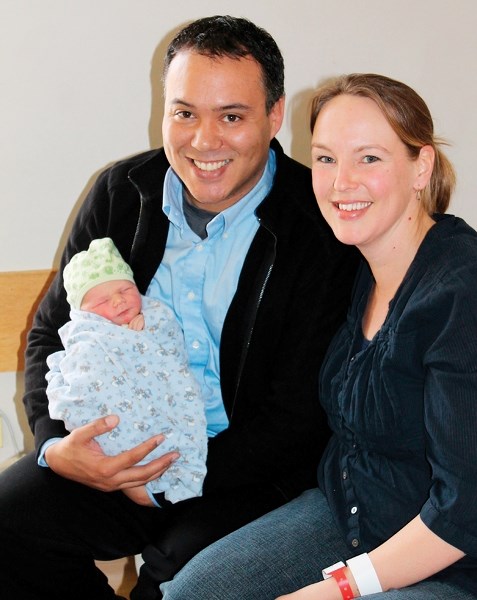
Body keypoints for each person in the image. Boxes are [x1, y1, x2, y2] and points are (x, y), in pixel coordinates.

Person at [0, 16, 358, 600]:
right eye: (185, 112)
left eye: (232, 117)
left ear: (274, 116)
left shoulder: (318, 225)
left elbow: (300, 414)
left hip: (246, 474)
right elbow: (51, 335)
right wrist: (55, 447)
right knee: (8, 528)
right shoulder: (120, 193)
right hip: (117, 453)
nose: (203, 140)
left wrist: (179, 473)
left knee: (177, 583)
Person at [159, 73, 477, 600]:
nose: (340, 181)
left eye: (368, 159)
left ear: (421, 167)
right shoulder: (360, 267)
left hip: (450, 558)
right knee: (190, 594)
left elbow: (464, 507)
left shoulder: (460, 291)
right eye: (326, 159)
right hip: (350, 513)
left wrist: (337, 589)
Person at [46, 237, 207, 506]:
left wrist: (149, 330)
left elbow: (173, 350)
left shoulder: (154, 312)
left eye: (124, 289)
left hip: (160, 406)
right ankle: (134, 475)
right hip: (111, 419)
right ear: (84, 313)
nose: (119, 302)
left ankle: (167, 477)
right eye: (101, 302)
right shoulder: (85, 333)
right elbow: (76, 373)